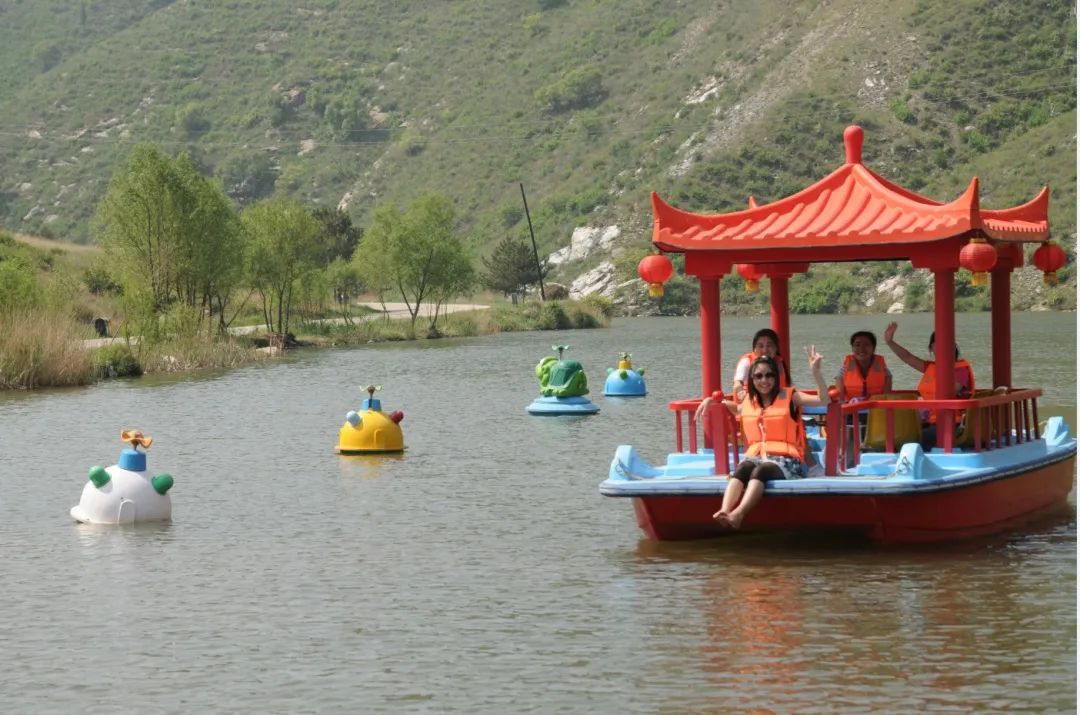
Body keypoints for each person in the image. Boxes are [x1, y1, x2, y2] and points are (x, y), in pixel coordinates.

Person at [695, 346, 830, 530]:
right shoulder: (749, 401)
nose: (764, 380)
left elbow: (824, 400)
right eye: (758, 376)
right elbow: (732, 406)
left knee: (762, 471)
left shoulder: (791, 397)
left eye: (769, 375)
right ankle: (725, 510)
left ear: (775, 377)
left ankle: (738, 514)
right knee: (744, 468)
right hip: (757, 456)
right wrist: (711, 400)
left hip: (787, 461)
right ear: (752, 380)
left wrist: (816, 372)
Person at [882, 322, 975, 449]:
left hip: (953, 424)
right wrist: (889, 342)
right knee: (893, 434)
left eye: (948, 344)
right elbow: (907, 357)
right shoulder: (930, 368)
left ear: (954, 347)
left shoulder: (960, 369)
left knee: (906, 441)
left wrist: (922, 407)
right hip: (930, 421)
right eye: (938, 344)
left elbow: (950, 392)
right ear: (931, 348)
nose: (944, 347)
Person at [731, 328, 790, 403]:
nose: (765, 350)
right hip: (750, 408)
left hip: (776, 408)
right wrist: (740, 392)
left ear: (776, 348)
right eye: (760, 346)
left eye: (769, 346)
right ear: (754, 349)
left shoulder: (779, 364)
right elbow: (737, 383)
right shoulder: (746, 362)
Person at [834, 330, 892, 402]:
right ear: (852, 348)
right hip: (850, 409)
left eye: (867, 345)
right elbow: (840, 400)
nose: (862, 349)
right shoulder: (842, 371)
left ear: (873, 348)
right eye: (857, 345)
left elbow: (886, 399)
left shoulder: (885, 372)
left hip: (875, 410)